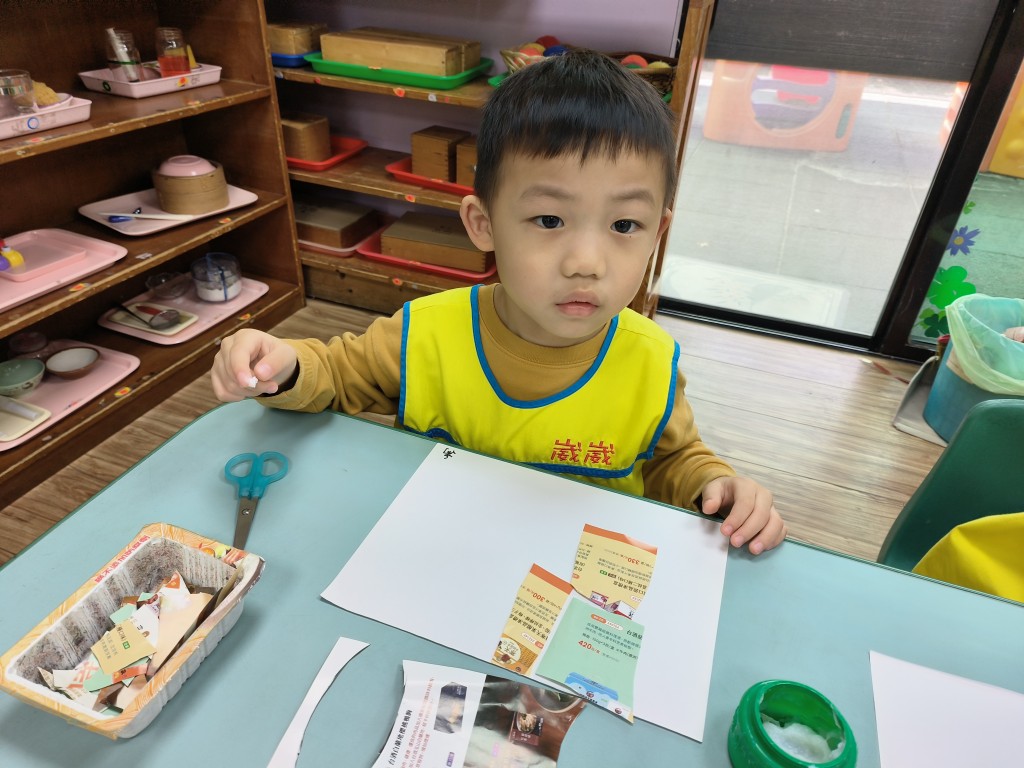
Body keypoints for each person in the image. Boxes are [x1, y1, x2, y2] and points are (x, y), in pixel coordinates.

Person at [211, 49, 786, 554]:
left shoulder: (651, 363)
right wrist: (283, 367)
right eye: (550, 219)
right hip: (440, 560)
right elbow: (335, 375)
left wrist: (718, 487)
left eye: (624, 224)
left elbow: (673, 460)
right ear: (482, 224)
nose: (587, 262)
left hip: (573, 588)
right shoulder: (426, 334)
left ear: (657, 233)